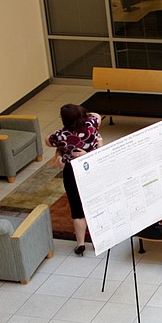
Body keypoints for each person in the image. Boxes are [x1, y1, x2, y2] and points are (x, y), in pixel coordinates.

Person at [46, 104, 102, 256]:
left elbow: (47, 141)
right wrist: (84, 114)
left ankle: (80, 244)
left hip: (72, 171)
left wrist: (60, 152)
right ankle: (100, 239)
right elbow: (96, 114)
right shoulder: (91, 125)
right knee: (95, 203)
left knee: (77, 208)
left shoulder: (61, 135)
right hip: (90, 168)